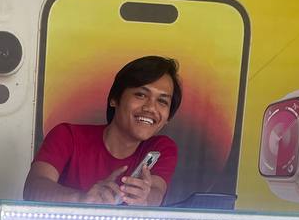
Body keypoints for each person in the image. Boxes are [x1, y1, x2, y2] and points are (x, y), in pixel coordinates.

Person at [24, 56, 181, 206]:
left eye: (162, 101)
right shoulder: (67, 136)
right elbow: (34, 188)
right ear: (114, 99)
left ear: (168, 116)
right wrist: (83, 199)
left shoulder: (160, 148)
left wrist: (144, 200)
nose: (151, 108)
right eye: (141, 95)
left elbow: (156, 192)